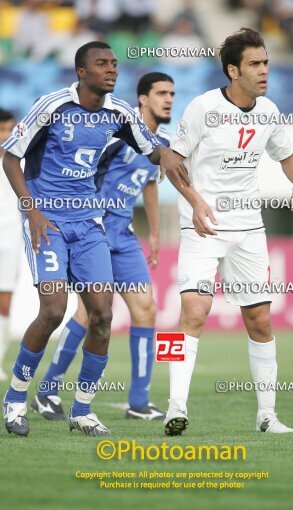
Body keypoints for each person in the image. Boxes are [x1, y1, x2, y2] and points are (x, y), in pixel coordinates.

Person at [1, 41, 185, 437]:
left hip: (89, 223)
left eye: (115, 64)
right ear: (81, 72)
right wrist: (31, 209)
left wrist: (167, 156)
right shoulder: (51, 107)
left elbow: (151, 150)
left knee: (102, 315)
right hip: (47, 219)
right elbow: (10, 156)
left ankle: (82, 409)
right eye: (102, 64)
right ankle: (16, 397)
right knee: (53, 309)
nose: (111, 69)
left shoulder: (119, 113)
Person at [163, 28, 293, 436]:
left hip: (248, 229)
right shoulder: (202, 107)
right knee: (193, 313)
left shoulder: (269, 111)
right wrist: (195, 201)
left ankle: (268, 415)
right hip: (203, 225)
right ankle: (175, 406)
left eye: (266, 62)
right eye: (255, 64)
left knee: (260, 320)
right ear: (233, 70)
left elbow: (288, 155)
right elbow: (171, 162)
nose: (264, 71)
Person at [32, 72, 174, 422]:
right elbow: (82, 171)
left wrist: (154, 233)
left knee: (146, 309)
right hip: (91, 229)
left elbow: (150, 184)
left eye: (172, 93)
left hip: (123, 235)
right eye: (161, 93)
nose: (169, 99)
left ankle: (138, 402)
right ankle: (47, 391)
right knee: (89, 313)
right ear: (143, 99)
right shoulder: (115, 132)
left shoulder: (161, 142)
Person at [0, 109, 22, 381]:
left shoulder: (20, 162)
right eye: (0, 129)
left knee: (4, 303)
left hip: (11, 238)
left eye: (8, 129)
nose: (5, 135)